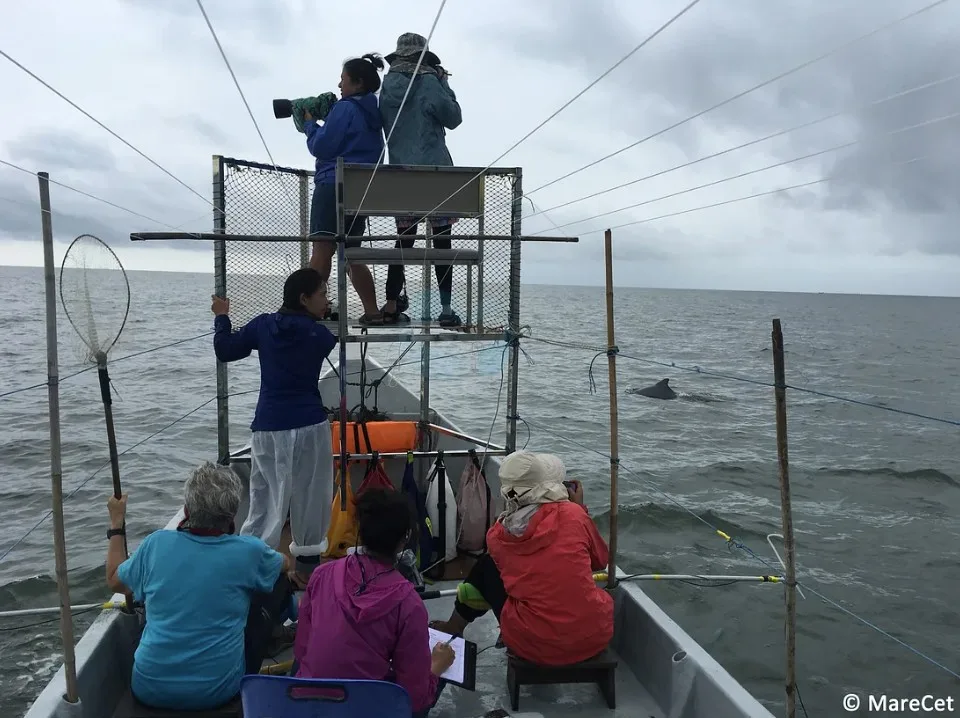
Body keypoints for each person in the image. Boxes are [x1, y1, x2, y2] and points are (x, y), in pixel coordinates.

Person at [105, 463, 292, 711]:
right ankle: (277, 637)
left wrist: (117, 522)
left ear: (186, 510)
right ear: (232, 515)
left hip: (149, 690)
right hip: (218, 694)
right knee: (278, 581)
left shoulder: (155, 544)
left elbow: (114, 580)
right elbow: (285, 564)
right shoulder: (249, 552)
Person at [212, 267, 336, 587]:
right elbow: (321, 329)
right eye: (322, 293)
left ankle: (253, 575)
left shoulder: (263, 326)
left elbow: (225, 349)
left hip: (269, 427)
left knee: (264, 500)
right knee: (311, 500)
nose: (328, 299)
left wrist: (222, 317)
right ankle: (307, 575)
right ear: (304, 298)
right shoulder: (321, 336)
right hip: (310, 426)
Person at [430, 451, 613, 666]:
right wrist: (579, 508)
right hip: (594, 637)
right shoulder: (575, 516)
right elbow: (600, 562)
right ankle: (460, 625)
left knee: (486, 567)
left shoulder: (499, 535)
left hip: (532, 645)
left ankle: (455, 626)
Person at [293, 487, 455, 717]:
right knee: (441, 670)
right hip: (368, 708)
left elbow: (302, 650)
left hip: (310, 706)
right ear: (404, 539)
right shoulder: (409, 604)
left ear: (360, 528)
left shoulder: (322, 574)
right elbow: (415, 697)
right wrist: (437, 666)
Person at [379, 33, 463, 327]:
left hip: (401, 175)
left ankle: (390, 303)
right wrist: (444, 83)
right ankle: (446, 309)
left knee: (404, 240)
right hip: (435, 175)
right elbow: (453, 118)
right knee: (442, 241)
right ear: (424, 57)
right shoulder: (428, 82)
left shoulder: (388, 84)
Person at [305, 53, 387, 325]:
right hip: (360, 188)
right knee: (352, 251)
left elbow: (323, 146)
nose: (339, 86)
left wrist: (309, 125)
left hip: (332, 184)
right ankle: (372, 310)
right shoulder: (374, 114)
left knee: (322, 248)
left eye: (343, 80)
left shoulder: (346, 108)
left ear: (358, 83)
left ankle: (309, 310)